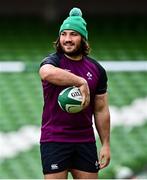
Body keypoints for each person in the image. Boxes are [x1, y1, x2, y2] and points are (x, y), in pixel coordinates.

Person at [39, 7, 110, 179]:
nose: (67, 39)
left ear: (83, 39)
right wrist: (80, 81)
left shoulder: (97, 70)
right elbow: (46, 73)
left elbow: (101, 110)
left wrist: (106, 144)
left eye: (73, 34)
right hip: (54, 139)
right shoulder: (53, 61)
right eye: (64, 34)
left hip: (85, 140)